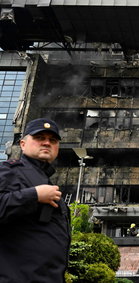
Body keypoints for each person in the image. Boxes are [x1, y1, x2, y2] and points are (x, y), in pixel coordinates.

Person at [0, 118, 71, 283]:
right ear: (23, 144)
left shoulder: (46, 181)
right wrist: (34, 195)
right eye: (40, 138)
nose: (47, 143)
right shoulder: (10, 171)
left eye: (52, 140)